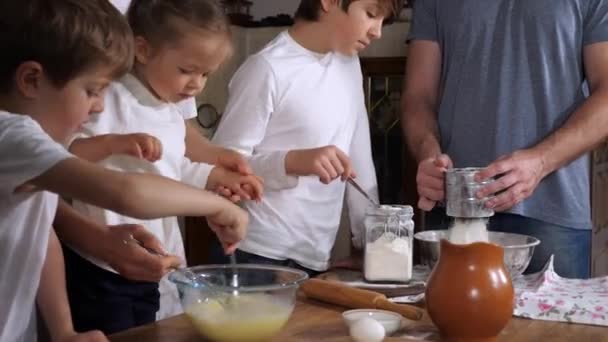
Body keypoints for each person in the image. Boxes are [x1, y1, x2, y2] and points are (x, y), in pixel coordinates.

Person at [0, 1, 249, 342]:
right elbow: (127, 193)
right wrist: (219, 206)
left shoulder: (30, 151)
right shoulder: (11, 136)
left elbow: (41, 235)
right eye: (92, 91)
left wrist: (65, 332)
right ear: (31, 80)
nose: (100, 105)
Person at [62, 0, 263, 333]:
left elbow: (175, 167)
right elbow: (63, 157)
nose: (197, 85)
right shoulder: (107, 97)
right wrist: (112, 144)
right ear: (142, 49)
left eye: (205, 74)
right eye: (187, 71)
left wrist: (216, 177)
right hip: (101, 266)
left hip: (156, 260)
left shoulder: (169, 108)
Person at [402, 0, 608, 279]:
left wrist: (541, 161)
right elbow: (418, 96)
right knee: (445, 322)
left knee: (556, 326)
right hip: (456, 206)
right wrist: (427, 152)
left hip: (553, 213)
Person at [211, 0, 402, 275]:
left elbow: (359, 158)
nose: (377, 32)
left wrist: (368, 243)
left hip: (315, 255)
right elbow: (221, 167)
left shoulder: (349, 64)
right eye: (371, 14)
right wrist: (292, 162)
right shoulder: (266, 68)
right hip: (255, 253)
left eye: (383, 21)